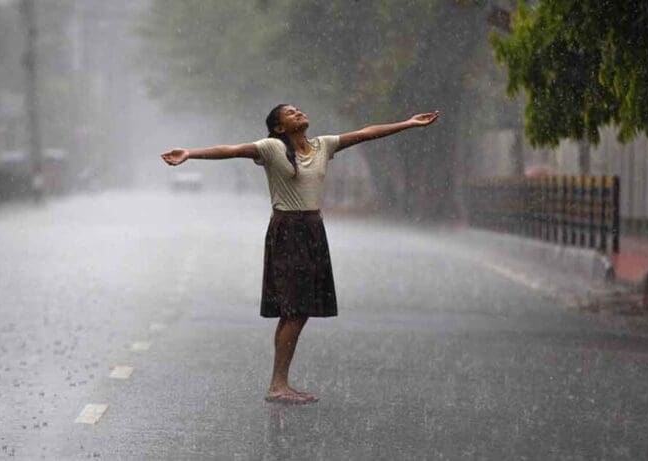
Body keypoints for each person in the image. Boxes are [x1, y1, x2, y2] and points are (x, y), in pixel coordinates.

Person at [160, 105, 440, 404]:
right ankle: (278, 385)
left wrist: (408, 123)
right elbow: (231, 149)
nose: (298, 113)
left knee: (300, 309)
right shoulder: (271, 147)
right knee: (293, 309)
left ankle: (280, 383)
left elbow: (364, 134)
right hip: (287, 229)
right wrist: (190, 153)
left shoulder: (323, 145)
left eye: (298, 110)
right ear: (279, 128)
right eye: (290, 113)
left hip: (313, 229)